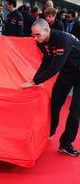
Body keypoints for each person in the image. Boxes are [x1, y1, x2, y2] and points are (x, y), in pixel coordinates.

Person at [21, 19, 80, 157]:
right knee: (55, 102)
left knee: (75, 110)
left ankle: (66, 144)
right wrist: (33, 80)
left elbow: (54, 68)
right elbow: (46, 62)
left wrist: (35, 82)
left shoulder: (62, 40)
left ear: (47, 30)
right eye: (33, 35)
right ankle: (50, 131)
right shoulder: (45, 41)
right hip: (67, 72)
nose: (35, 38)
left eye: (37, 35)